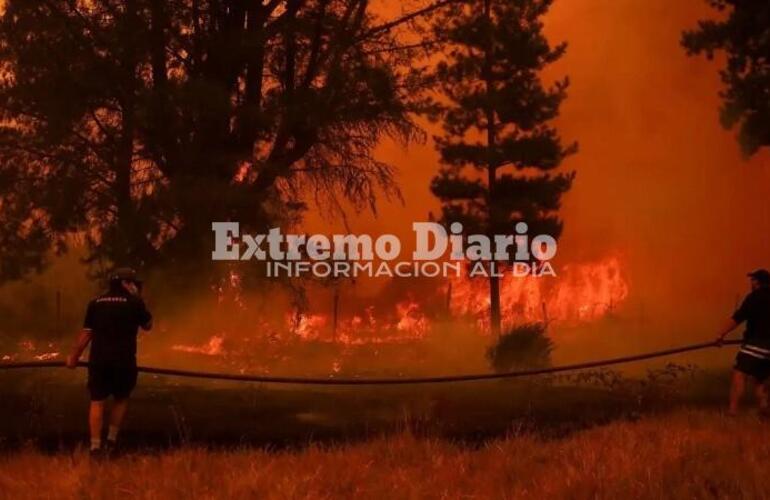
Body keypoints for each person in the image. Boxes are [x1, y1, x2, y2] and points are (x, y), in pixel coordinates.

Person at [66, 268, 153, 456]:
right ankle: (111, 442)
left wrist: (74, 356)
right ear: (125, 284)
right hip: (124, 361)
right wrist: (139, 301)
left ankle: (95, 447)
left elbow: (87, 333)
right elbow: (147, 325)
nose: (134, 286)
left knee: (97, 401)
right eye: (132, 283)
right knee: (121, 399)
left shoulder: (96, 303)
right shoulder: (134, 303)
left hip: (99, 361)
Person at [716, 269, 770, 416]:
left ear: (757, 282)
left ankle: (732, 411)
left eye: (752, 280)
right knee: (760, 377)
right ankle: (764, 406)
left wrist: (721, 334)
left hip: (756, 343)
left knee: (739, 374)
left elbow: (737, 318)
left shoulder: (754, 297)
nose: (750, 283)